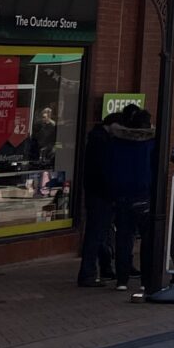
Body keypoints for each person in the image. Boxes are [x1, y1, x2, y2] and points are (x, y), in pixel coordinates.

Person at [103, 105, 157, 291]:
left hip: (122, 194)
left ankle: (122, 279)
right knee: (148, 239)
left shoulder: (116, 142)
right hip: (143, 195)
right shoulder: (151, 144)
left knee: (123, 237)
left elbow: (110, 167)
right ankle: (146, 280)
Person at [76, 110, 119, 286]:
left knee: (100, 233)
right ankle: (88, 273)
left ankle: (103, 267)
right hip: (101, 194)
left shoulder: (98, 139)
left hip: (97, 193)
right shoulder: (102, 142)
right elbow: (103, 171)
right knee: (96, 234)